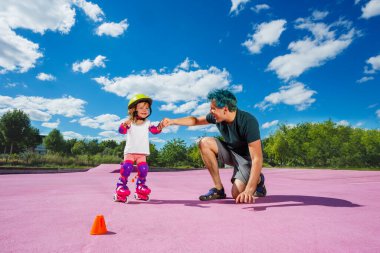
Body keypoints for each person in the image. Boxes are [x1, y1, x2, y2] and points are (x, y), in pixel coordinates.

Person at [162, 89, 266, 204]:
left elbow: (257, 158)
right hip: (230, 152)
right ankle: (218, 189)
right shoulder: (217, 117)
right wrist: (173, 121)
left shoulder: (248, 121)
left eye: (213, 108)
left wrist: (249, 190)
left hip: (246, 160)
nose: (210, 112)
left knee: (237, 194)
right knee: (205, 142)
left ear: (225, 109)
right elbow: (195, 120)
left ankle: (259, 180)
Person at [113, 94, 163, 203]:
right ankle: (120, 187)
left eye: (147, 108)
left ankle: (140, 188)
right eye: (141, 108)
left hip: (142, 153)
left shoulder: (148, 123)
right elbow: (121, 131)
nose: (145, 110)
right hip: (130, 151)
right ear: (133, 109)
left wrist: (160, 127)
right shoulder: (129, 122)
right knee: (127, 168)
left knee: (143, 169)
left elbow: (155, 131)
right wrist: (124, 125)